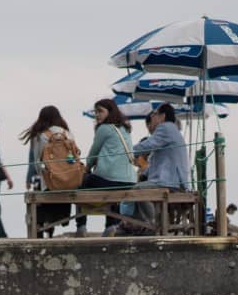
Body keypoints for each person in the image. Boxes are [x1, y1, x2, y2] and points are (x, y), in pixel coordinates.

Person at [77, 98, 138, 237]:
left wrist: (86, 170)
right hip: (129, 181)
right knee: (113, 191)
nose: (97, 114)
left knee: (80, 186)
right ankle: (111, 225)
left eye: (100, 111)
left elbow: (93, 154)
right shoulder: (125, 128)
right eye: (95, 111)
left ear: (110, 112)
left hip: (109, 179)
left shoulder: (104, 128)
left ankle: (81, 226)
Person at [131, 103, 190, 228]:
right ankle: (148, 224)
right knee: (138, 187)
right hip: (176, 180)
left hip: (170, 180)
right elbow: (157, 160)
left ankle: (152, 224)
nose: (151, 117)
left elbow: (148, 145)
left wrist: (126, 151)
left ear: (162, 116)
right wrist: (145, 172)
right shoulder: (172, 129)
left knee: (136, 190)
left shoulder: (166, 127)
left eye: (154, 114)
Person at [20, 106, 76, 238]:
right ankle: (50, 232)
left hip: (48, 184)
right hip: (67, 184)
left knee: (40, 207)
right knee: (56, 208)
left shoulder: (40, 136)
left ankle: (39, 233)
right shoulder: (67, 134)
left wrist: (37, 177)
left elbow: (36, 163)